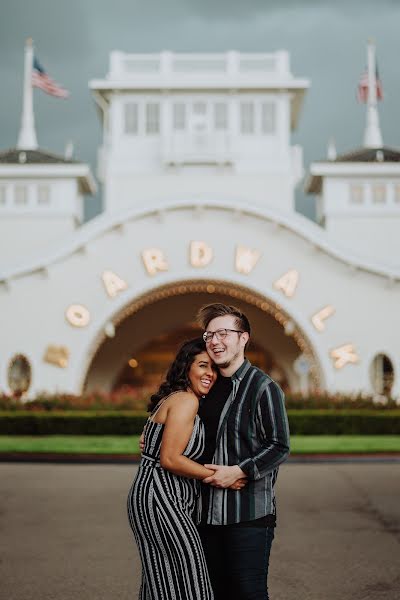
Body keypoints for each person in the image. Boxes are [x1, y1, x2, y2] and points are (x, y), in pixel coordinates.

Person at [127, 337, 244, 600]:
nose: (210, 374)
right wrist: (221, 477)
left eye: (213, 368)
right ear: (186, 368)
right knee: (191, 578)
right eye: (203, 366)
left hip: (158, 495)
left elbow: (158, 446)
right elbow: (170, 459)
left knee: (163, 580)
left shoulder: (184, 400)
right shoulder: (185, 400)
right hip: (161, 497)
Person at [196, 303, 290, 600]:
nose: (215, 341)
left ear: (243, 338)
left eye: (223, 333)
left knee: (248, 594)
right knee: (215, 594)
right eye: (209, 335)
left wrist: (240, 471)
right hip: (204, 514)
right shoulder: (204, 388)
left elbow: (279, 445)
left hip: (247, 515)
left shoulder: (263, 387)